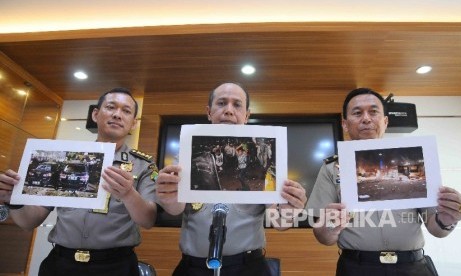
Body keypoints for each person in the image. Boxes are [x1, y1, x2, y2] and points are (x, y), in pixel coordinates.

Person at [0, 87, 158, 276]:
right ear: (96, 114)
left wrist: (128, 194)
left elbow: (148, 220)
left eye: (126, 111)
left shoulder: (143, 165)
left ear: (133, 123)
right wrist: (13, 200)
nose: (117, 115)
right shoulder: (65, 158)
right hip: (61, 264)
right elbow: (29, 221)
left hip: (116, 266)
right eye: (111, 107)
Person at [307, 87, 461, 276]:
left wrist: (448, 219)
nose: (366, 118)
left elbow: (436, 229)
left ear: (385, 121)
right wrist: (331, 226)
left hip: (412, 267)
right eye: (357, 113)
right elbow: (323, 237)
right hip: (357, 268)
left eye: (373, 112)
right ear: (345, 124)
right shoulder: (331, 168)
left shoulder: (417, 162)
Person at [155, 82, 307, 276]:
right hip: (193, 267)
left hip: (248, 267)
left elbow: (279, 222)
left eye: (237, 105)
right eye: (221, 103)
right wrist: (167, 197)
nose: (228, 111)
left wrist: (290, 211)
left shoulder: (262, 157)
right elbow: (175, 208)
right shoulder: (188, 154)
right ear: (209, 112)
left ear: (247, 115)